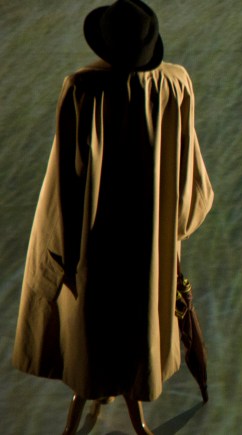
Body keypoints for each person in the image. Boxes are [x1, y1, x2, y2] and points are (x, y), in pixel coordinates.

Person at [10, 1, 214, 434]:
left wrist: (53, 257)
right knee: (140, 313)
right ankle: (136, 407)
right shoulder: (175, 84)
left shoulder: (83, 89)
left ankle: (88, 398)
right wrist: (173, 226)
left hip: (95, 238)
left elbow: (63, 181)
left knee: (93, 323)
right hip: (152, 237)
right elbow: (191, 176)